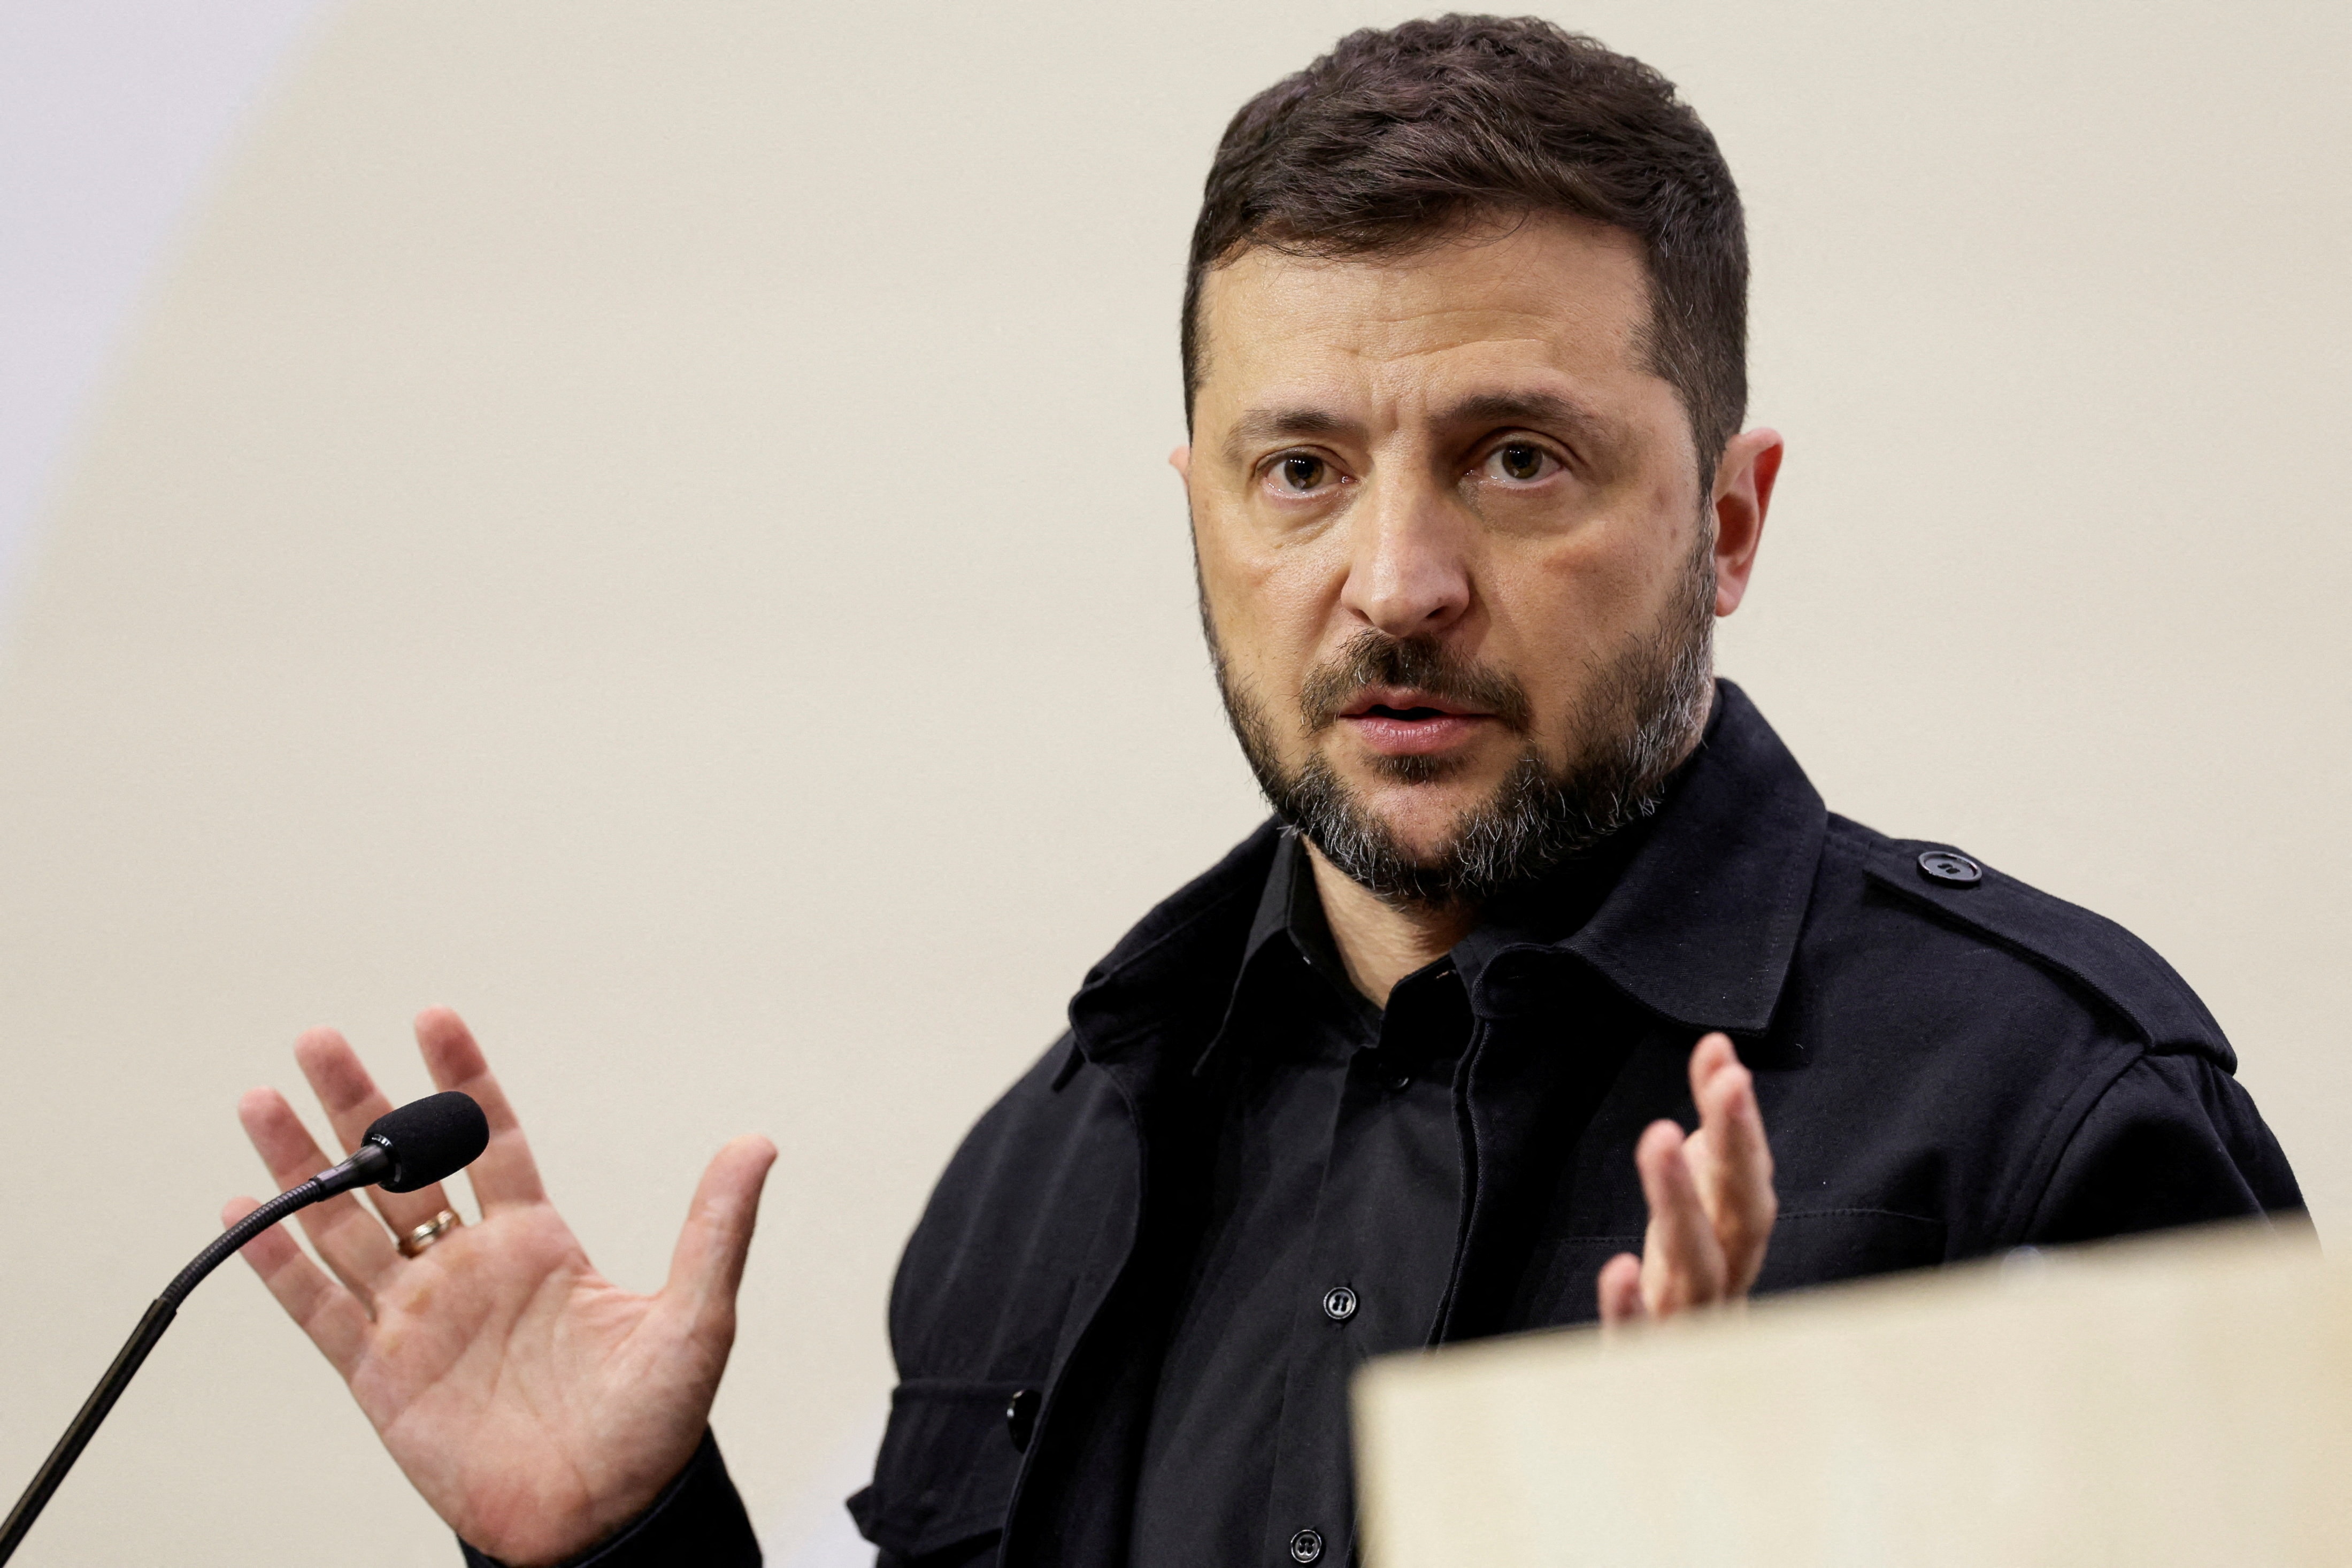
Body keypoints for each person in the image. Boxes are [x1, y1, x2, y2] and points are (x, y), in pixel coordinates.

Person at [220, 16, 2302, 1568]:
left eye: (1516, 459)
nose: (1394, 582)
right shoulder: (1048, 1164)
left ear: (1731, 522)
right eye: (1299, 468)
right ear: (1198, 508)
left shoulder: (2050, 1114)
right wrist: (622, 1552)